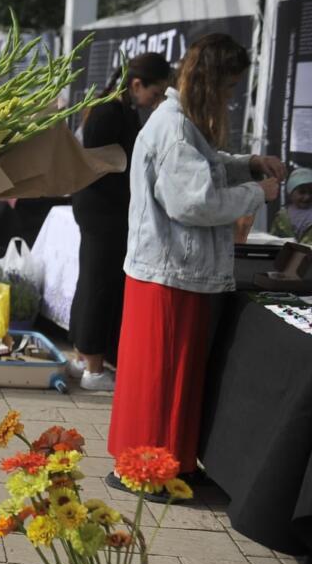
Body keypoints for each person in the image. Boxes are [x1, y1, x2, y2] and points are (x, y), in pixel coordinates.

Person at [106, 34, 284, 496]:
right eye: (228, 88)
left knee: (171, 375)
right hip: (168, 271)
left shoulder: (180, 121)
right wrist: (254, 193)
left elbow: (206, 168)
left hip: (173, 269)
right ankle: (149, 467)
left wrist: (248, 165)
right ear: (212, 83)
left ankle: (168, 464)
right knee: (161, 377)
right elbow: (194, 201)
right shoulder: (175, 126)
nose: (229, 98)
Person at [68, 53, 172, 392]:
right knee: (99, 284)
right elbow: (103, 167)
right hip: (103, 210)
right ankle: (93, 367)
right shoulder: (109, 112)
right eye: (155, 94)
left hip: (104, 208)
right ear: (137, 84)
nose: (155, 103)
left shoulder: (121, 110)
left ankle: (84, 357)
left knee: (93, 281)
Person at [270, 167, 312, 245]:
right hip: (287, 256)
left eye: (311, 192)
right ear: (290, 193)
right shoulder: (281, 217)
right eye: (302, 192)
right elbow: (272, 240)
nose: (307, 197)